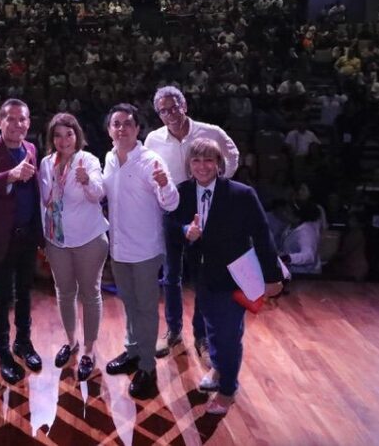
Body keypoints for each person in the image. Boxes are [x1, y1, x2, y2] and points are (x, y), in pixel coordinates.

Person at [169, 138, 283, 416]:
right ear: (189, 165)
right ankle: (219, 370)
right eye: (196, 160)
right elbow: (170, 224)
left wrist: (272, 276)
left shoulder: (242, 194)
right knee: (212, 329)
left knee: (228, 334)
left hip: (236, 277)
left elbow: (262, 235)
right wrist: (186, 230)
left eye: (209, 160)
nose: (202, 166)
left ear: (219, 164)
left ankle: (228, 390)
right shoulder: (182, 192)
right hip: (203, 277)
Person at [144, 85, 239, 359]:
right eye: (163, 110)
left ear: (184, 105)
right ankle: (173, 330)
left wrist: (217, 183)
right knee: (171, 274)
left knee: (203, 274)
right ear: (158, 114)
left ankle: (202, 335)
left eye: (174, 107)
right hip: (171, 210)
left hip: (203, 208)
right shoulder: (153, 139)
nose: (170, 114)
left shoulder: (210, 132)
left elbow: (232, 156)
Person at [102, 103, 179, 399]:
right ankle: (133, 351)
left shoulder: (150, 160)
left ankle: (148, 368)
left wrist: (164, 185)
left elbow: (170, 202)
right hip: (119, 248)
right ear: (110, 130)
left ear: (137, 129)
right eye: (116, 124)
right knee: (130, 304)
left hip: (145, 249)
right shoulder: (109, 158)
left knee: (146, 309)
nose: (121, 129)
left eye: (127, 124)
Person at [0, 98, 43, 385]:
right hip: (1, 239)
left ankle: (23, 343)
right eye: (11, 119)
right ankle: (3, 351)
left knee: (26, 293)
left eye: (23, 119)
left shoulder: (31, 148)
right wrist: (12, 175)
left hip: (27, 234)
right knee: (3, 298)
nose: (18, 125)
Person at [37, 112, 107, 381]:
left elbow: (99, 194)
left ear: (77, 136)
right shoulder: (46, 163)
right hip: (57, 240)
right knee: (64, 292)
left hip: (89, 239)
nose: (64, 140)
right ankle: (71, 341)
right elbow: (45, 201)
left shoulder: (87, 160)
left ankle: (89, 351)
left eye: (69, 134)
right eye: (58, 135)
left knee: (90, 294)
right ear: (51, 138)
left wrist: (86, 180)